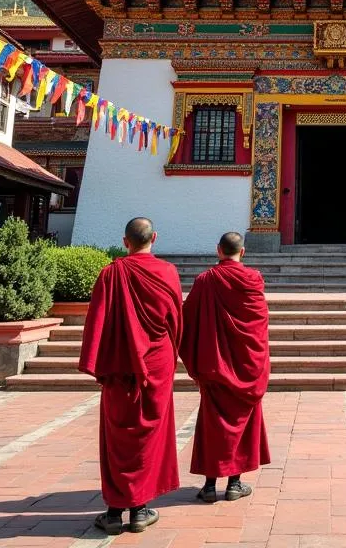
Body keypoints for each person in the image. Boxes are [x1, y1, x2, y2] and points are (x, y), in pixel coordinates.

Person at [79, 217, 183, 535]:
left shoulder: (111, 273)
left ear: (125, 242)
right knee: (149, 434)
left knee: (118, 435)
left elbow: (97, 322)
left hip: (119, 364)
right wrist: (172, 351)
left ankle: (113, 511)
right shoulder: (168, 273)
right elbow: (176, 320)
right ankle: (140, 510)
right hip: (156, 363)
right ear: (155, 238)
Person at [180, 231, 271, 503]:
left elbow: (187, 322)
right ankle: (234, 483)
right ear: (242, 252)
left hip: (215, 366)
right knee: (242, 422)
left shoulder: (205, 281)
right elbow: (258, 328)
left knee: (212, 424)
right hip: (245, 366)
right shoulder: (253, 280)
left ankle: (209, 485)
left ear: (218, 250)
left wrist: (196, 360)